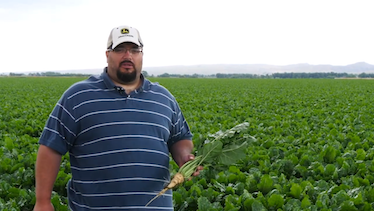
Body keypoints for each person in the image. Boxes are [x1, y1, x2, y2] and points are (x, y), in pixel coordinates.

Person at [34, 25, 201, 211]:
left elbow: (180, 139)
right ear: (107, 54)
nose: (127, 55)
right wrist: (42, 201)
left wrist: (185, 157)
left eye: (134, 50)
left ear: (141, 55)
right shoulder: (78, 96)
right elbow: (51, 148)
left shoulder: (164, 98)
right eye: (119, 49)